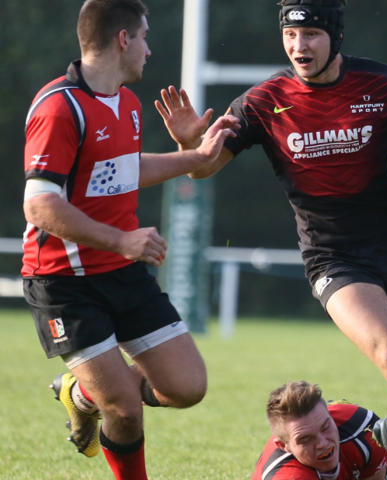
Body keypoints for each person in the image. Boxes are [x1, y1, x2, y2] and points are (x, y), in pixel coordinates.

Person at [156, 1, 387, 479]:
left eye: (312, 35)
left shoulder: (382, 84)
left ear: (335, 36)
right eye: (291, 35)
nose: (300, 46)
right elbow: (203, 168)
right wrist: (188, 146)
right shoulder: (263, 101)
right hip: (333, 257)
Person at [22, 1, 238, 479]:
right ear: (123, 39)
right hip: (64, 283)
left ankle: (79, 393)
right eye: (143, 36)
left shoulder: (128, 103)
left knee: (187, 388)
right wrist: (121, 240)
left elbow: (126, 171)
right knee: (122, 407)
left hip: (121, 273)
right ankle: (102, 400)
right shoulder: (59, 107)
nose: (149, 48)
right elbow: (39, 206)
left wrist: (193, 152)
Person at [254, 381, 387, 480]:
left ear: (330, 415)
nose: (323, 443)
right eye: (305, 439)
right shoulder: (287, 475)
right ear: (284, 446)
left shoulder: (361, 428)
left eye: (325, 427)